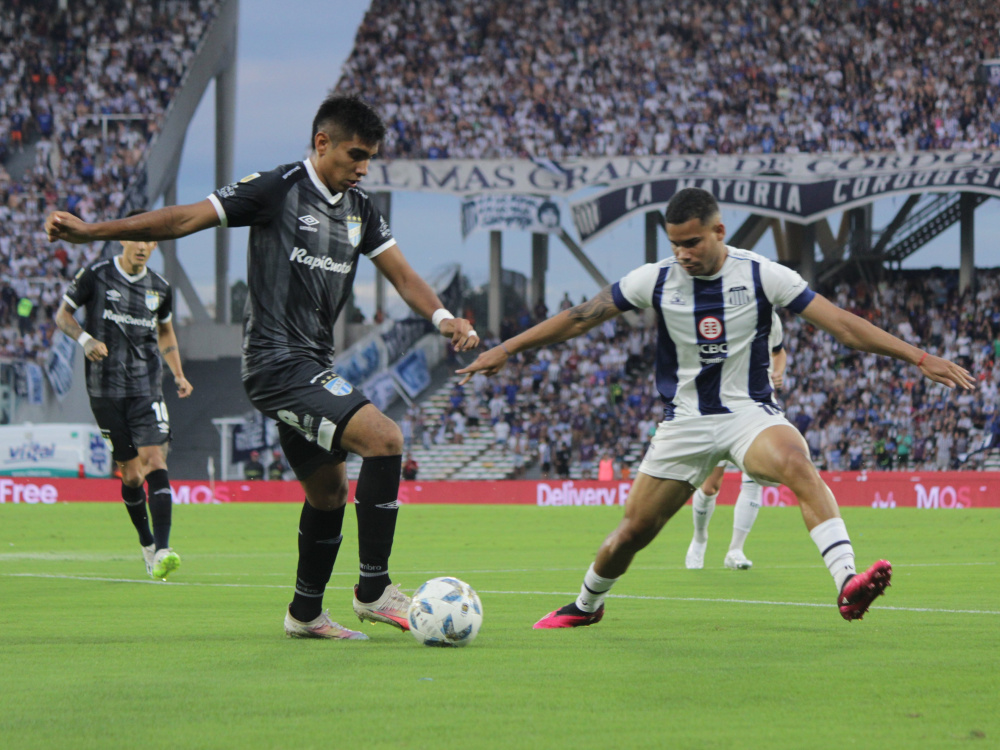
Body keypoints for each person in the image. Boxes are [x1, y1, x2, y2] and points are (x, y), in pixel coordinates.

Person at [46, 94, 479, 641]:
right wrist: (93, 232)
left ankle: (305, 614)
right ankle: (374, 589)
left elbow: (404, 276)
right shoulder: (277, 189)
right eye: (356, 155)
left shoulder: (361, 209)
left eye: (370, 158)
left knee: (328, 494)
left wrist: (442, 317)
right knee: (385, 438)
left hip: (311, 363)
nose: (363, 168)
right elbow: (185, 217)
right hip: (275, 363)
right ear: (322, 143)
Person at [458, 187, 974, 628]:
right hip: (684, 424)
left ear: (718, 231)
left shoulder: (763, 274)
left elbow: (840, 323)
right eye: (675, 244)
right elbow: (579, 316)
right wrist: (508, 348)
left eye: (692, 242)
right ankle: (587, 605)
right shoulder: (654, 279)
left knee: (796, 461)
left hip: (749, 414)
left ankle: (846, 584)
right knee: (632, 533)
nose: (683, 253)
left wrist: (918, 356)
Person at [54, 210, 193, 581]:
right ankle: (147, 543)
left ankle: (163, 549)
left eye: (150, 240)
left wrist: (178, 373)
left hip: (146, 386)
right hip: (105, 390)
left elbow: (165, 331)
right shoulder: (96, 275)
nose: (143, 246)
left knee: (155, 460)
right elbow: (63, 316)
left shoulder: (160, 288)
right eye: (138, 238)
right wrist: (85, 340)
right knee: (131, 476)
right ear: (123, 238)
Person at [685, 311, 788, 571]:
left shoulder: (770, 317)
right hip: (721, 407)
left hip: (758, 409)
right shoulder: (723, 314)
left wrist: (778, 372)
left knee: (754, 477)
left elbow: (778, 351)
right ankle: (699, 539)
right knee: (710, 486)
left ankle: (735, 550)